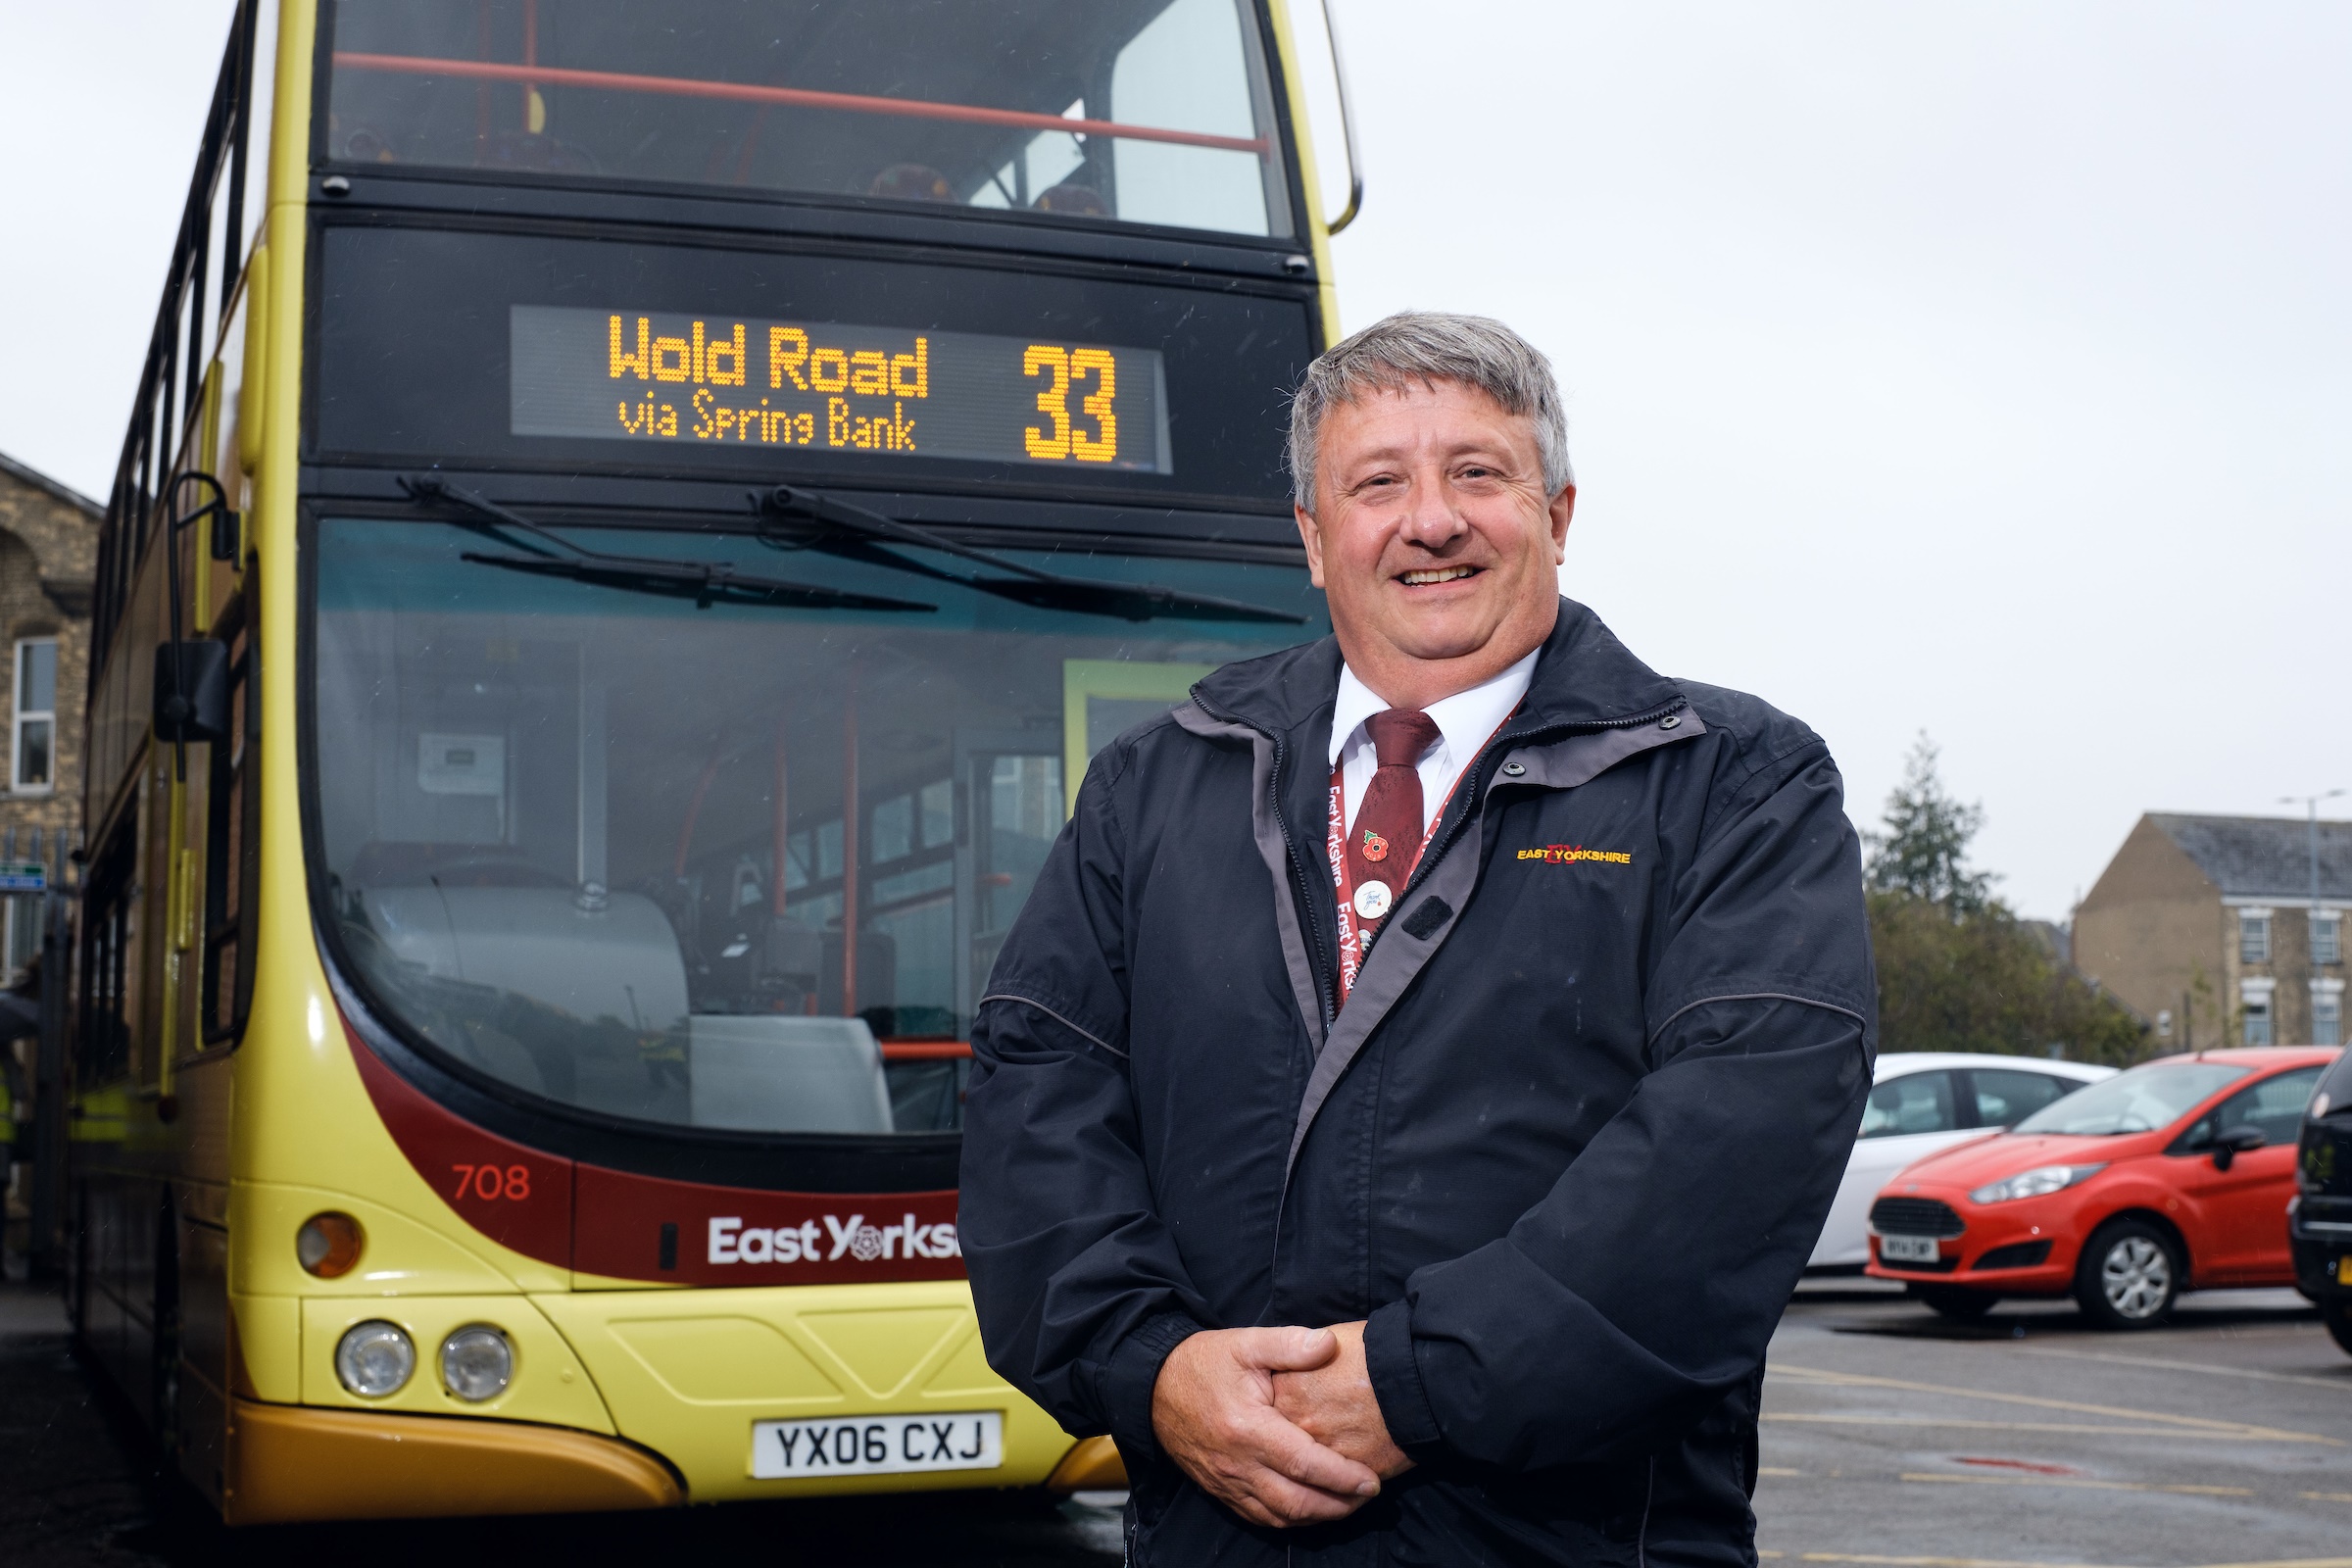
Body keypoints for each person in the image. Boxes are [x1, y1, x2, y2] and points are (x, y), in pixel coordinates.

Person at [960, 312, 1873, 1565]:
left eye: (1478, 474)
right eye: (1377, 481)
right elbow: (1036, 1107)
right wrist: (1154, 1368)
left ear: (1555, 516)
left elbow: (1742, 1137)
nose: (1429, 519)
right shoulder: (1150, 787)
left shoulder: (1737, 782)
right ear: (1313, 538)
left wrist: (1412, 1381)